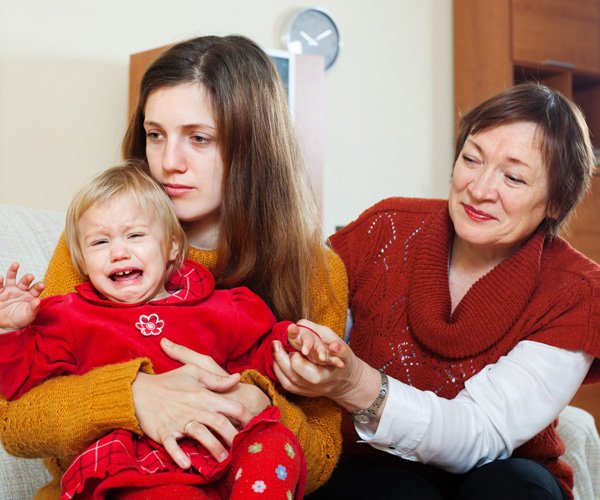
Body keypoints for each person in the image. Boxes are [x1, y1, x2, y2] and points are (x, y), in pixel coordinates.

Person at [0, 36, 347, 500]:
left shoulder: (317, 271)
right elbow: (16, 422)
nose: (167, 164)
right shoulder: (101, 243)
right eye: (155, 134)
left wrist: (255, 401)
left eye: (199, 139)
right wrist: (134, 395)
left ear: (253, 148)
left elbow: (321, 454)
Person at [270, 82, 600, 500]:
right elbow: (299, 308)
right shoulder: (385, 227)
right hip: (369, 467)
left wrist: (355, 383)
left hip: (502, 473)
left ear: (557, 201)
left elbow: (482, 433)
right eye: (471, 159)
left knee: (512, 488)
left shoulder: (577, 291)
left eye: (513, 177)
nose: (479, 189)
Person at [0, 163, 335, 499]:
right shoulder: (70, 317)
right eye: (100, 242)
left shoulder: (219, 308)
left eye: (135, 235)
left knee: (274, 442)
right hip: (139, 467)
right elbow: (20, 382)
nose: (118, 253)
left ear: (173, 246)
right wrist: (11, 332)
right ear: (82, 262)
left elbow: (260, 355)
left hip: (220, 448)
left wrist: (295, 344)